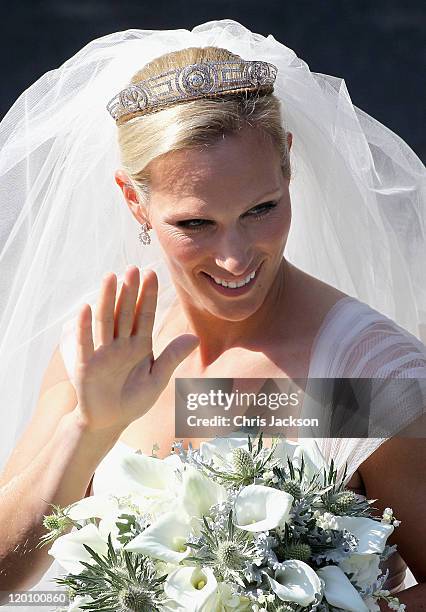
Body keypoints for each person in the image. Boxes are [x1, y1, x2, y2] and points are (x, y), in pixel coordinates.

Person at [0, 20, 425, 609]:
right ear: (134, 201)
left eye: (262, 209)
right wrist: (87, 431)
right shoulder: (106, 349)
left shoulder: (357, 376)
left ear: (288, 167)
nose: (234, 258)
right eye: (195, 223)